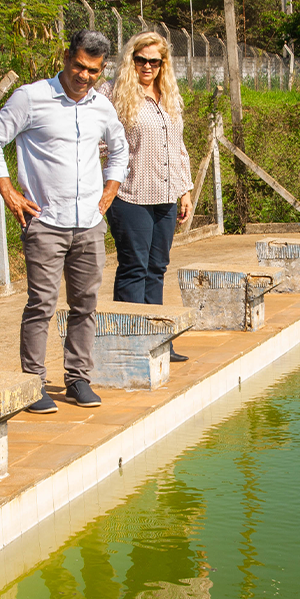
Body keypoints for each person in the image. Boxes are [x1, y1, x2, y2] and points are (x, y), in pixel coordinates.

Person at [0, 30, 129, 413]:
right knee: (41, 303)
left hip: (90, 223)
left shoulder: (101, 105)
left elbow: (120, 148)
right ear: (66, 57)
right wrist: (9, 193)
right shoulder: (32, 97)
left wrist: (109, 191)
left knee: (85, 304)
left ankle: (77, 378)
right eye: (78, 65)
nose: (84, 76)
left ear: (103, 69)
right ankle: (34, 382)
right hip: (45, 220)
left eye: (93, 70)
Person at [104, 32, 195, 362]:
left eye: (153, 61)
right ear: (131, 60)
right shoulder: (116, 97)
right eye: (140, 59)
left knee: (157, 267)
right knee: (134, 268)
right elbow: (102, 146)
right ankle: (129, 344)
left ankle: (158, 342)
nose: (146, 66)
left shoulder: (169, 96)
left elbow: (178, 148)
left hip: (167, 196)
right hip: (131, 196)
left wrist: (185, 191)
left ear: (162, 64)